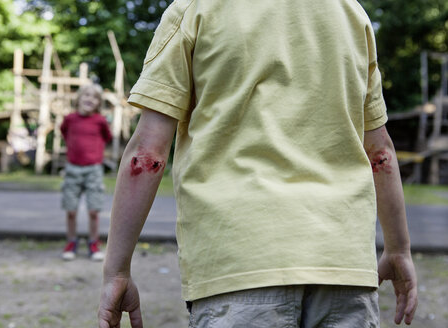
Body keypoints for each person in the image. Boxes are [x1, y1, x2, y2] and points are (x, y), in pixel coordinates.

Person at [99, 0, 418, 327]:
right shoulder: (350, 13)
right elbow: (380, 153)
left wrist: (117, 269)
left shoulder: (195, 10)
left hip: (238, 264)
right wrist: (398, 249)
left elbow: (148, 154)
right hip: (343, 266)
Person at [60, 83, 112, 261]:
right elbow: (64, 133)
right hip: (73, 168)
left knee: (93, 210)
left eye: (94, 97)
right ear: (79, 98)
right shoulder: (70, 119)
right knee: (71, 210)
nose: (90, 99)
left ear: (98, 103)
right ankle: (71, 242)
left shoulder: (100, 121)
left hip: (93, 170)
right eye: (86, 95)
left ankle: (93, 243)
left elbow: (107, 137)